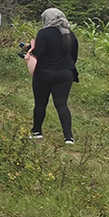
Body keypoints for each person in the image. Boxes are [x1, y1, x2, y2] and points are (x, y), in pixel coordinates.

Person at [29, 8, 79, 144]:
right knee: (62, 104)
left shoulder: (44, 33)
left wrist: (29, 49)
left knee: (40, 104)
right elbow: (73, 57)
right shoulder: (70, 35)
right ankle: (68, 137)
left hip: (44, 73)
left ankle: (37, 131)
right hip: (65, 74)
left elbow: (38, 52)